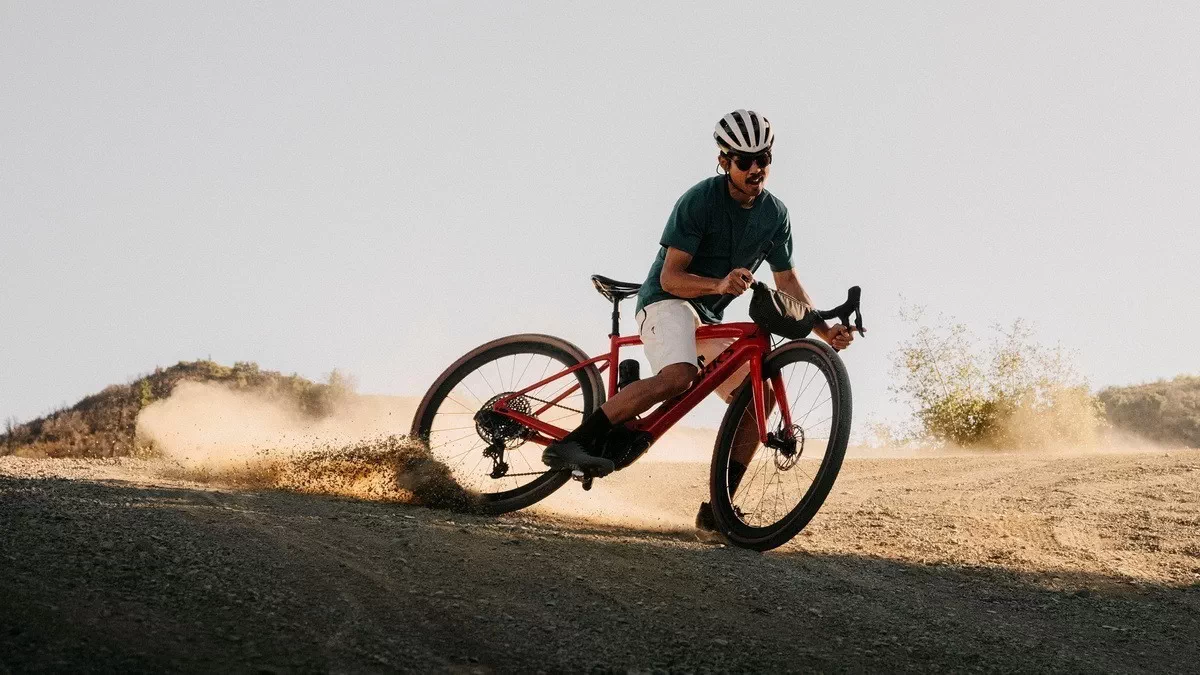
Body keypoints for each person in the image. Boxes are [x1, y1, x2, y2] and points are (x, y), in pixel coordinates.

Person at [543, 109, 855, 536]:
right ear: (724, 160)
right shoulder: (699, 201)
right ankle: (572, 442)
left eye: (762, 158)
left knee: (753, 398)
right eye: (743, 161)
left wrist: (822, 330)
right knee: (679, 377)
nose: (755, 169)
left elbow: (788, 281)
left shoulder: (775, 215)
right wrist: (720, 283)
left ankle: (718, 512)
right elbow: (671, 276)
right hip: (667, 301)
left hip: (707, 317)